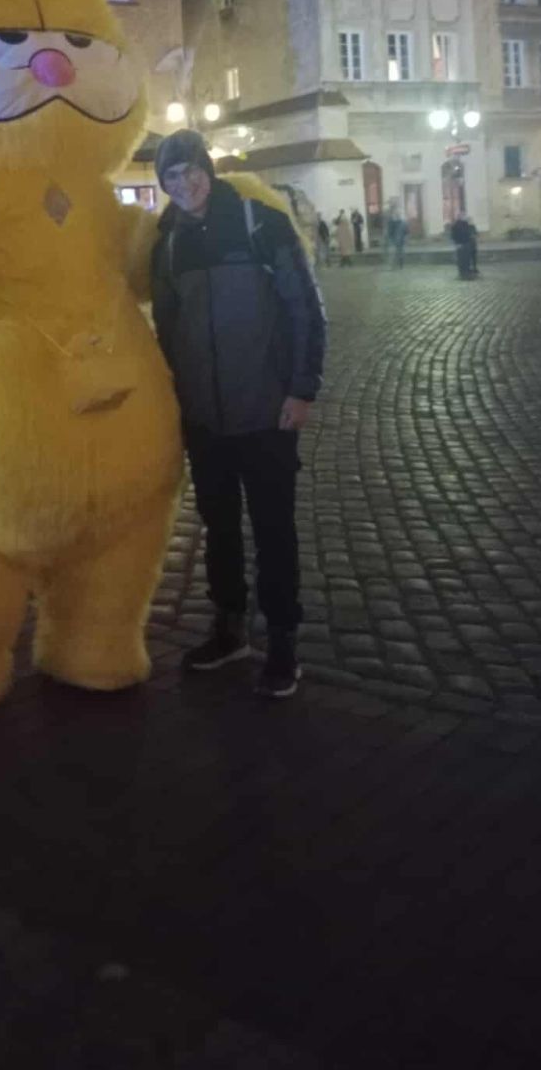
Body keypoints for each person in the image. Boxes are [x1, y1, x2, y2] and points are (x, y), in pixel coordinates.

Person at [150, 131, 327, 698]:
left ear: (208, 169)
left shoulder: (260, 224)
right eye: (172, 177)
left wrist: (301, 390)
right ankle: (229, 629)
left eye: (191, 171)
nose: (185, 184)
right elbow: (167, 332)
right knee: (219, 530)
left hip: (266, 412)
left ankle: (282, 641)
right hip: (206, 420)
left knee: (274, 530)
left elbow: (305, 309)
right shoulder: (168, 244)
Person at [450, 212, 479, 280]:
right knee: (461, 260)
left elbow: (468, 233)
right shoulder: (455, 225)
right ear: (458, 217)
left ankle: (467, 273)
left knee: (467, 260)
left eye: (463, 216)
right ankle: (462, 274)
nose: (462, 217)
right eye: (460, 216)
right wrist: (457, 244)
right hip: (460, 245)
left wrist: (470, 240)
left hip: (466, 244)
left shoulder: (465, 224)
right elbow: (453, 236)